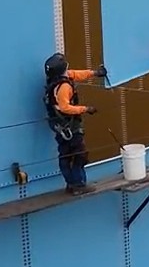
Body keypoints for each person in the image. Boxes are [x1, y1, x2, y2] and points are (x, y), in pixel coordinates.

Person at [43, 53, 107, 195]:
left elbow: (76, 74)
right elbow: (65, 107)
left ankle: (71, 184)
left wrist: (95, 73)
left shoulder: (56, 81)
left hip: (59, 125)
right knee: (79, 154)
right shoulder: (64, 87)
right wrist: (86, 109)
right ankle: (79, 184)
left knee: (65, 154)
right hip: (69, 126)